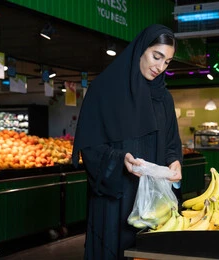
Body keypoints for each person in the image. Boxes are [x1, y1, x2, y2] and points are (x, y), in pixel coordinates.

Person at [72, 24, 183, 260]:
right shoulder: (104, 90)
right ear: (141, 49)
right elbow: (89, 147)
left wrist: (174, 162)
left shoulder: (164, 98)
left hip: (154, 202)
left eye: (167, 62)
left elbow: (172, 141)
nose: (160, 67)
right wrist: (120, 159)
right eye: (157, 56)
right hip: (116, 203)